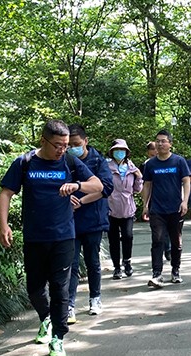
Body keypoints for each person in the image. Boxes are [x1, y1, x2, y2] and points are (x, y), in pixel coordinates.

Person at [0, 119, 103, 356]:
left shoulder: (69, 162)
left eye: (66, 145)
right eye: (58, 145)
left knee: (59, 288)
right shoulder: (25, 162)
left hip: (64, 236)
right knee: (34, 289)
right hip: (35, 237)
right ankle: (45, 317)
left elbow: (97, 185)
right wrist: (4, 225)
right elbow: (6, 193)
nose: (62, 150)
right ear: (43, 141)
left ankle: (58, 338)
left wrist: (76, 185)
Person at [66, 124, 114, 324]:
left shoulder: (97, 160)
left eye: (76, 144)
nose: (72, 148)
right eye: (69, 145)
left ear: (85, 141)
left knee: (92, 261)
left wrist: (81, 200)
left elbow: (106, 188)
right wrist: (67, 200)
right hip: (70, 221)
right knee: (71, 264)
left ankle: (95, 298)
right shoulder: (65, 159)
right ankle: (69, 305)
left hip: (93, 220)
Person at [141, 130, 191, 287]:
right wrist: (145, 205)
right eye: (158, 141)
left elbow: (186, 181)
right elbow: (147, 185)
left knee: (176, 242)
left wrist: (185, 201)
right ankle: (157, 274)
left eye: (163, 141)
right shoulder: (151, 164)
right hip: (157, 209)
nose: (160, 144)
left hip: (175, 208)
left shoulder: (179, 161)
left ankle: (175, 270)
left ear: (170, 143)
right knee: (157, 240)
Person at [106, 139, 143, 280]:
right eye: (117, 150)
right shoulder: (106, 167)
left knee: (128, 236)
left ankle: (127, 262)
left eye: (122, 150)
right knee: (113, 240)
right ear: (112, 152)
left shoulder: (132, 168)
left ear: (126, 152)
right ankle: (116, 267)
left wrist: (139, 177)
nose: (119, 152)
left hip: (128, 209)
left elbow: (137, 189)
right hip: (111, 209)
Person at [140, 141, 170, 260]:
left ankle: (168, 249)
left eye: (156, 149)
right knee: (157, 230)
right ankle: (159, 253)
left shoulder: (167, 162)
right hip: (153, 201)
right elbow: (144, 185)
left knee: (168, 228)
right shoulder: (146, 165)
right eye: (152, 149)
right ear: (148, 152)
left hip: (167, 200)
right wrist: (145, 204)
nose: (155, 151)